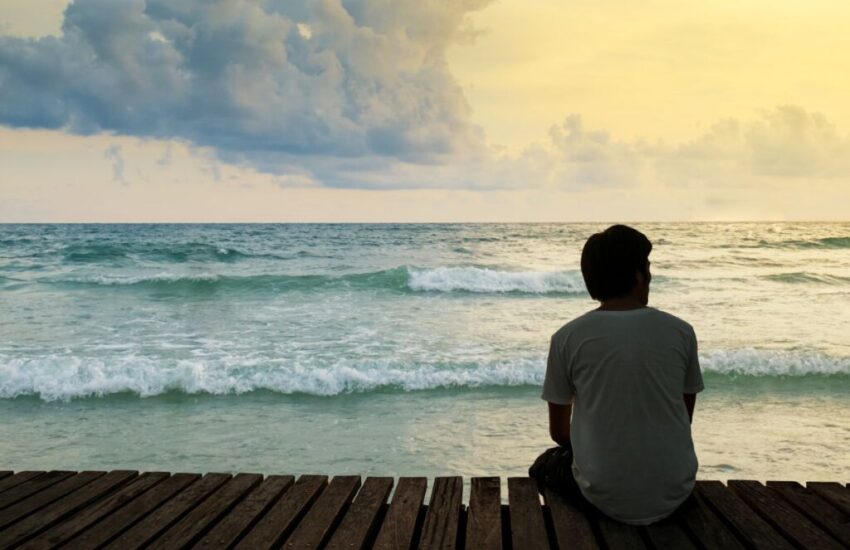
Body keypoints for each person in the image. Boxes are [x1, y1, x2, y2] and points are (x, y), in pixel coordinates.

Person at [529, 224, 704, 525]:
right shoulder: (681, 332)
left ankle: (575, 528)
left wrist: (601, 443)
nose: (650, 276)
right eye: (648, 268)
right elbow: (681, 419)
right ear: (638, 276)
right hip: (675, 490)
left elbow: (559, 433)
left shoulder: (567, 338)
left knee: (544, 466)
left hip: (603, 496)